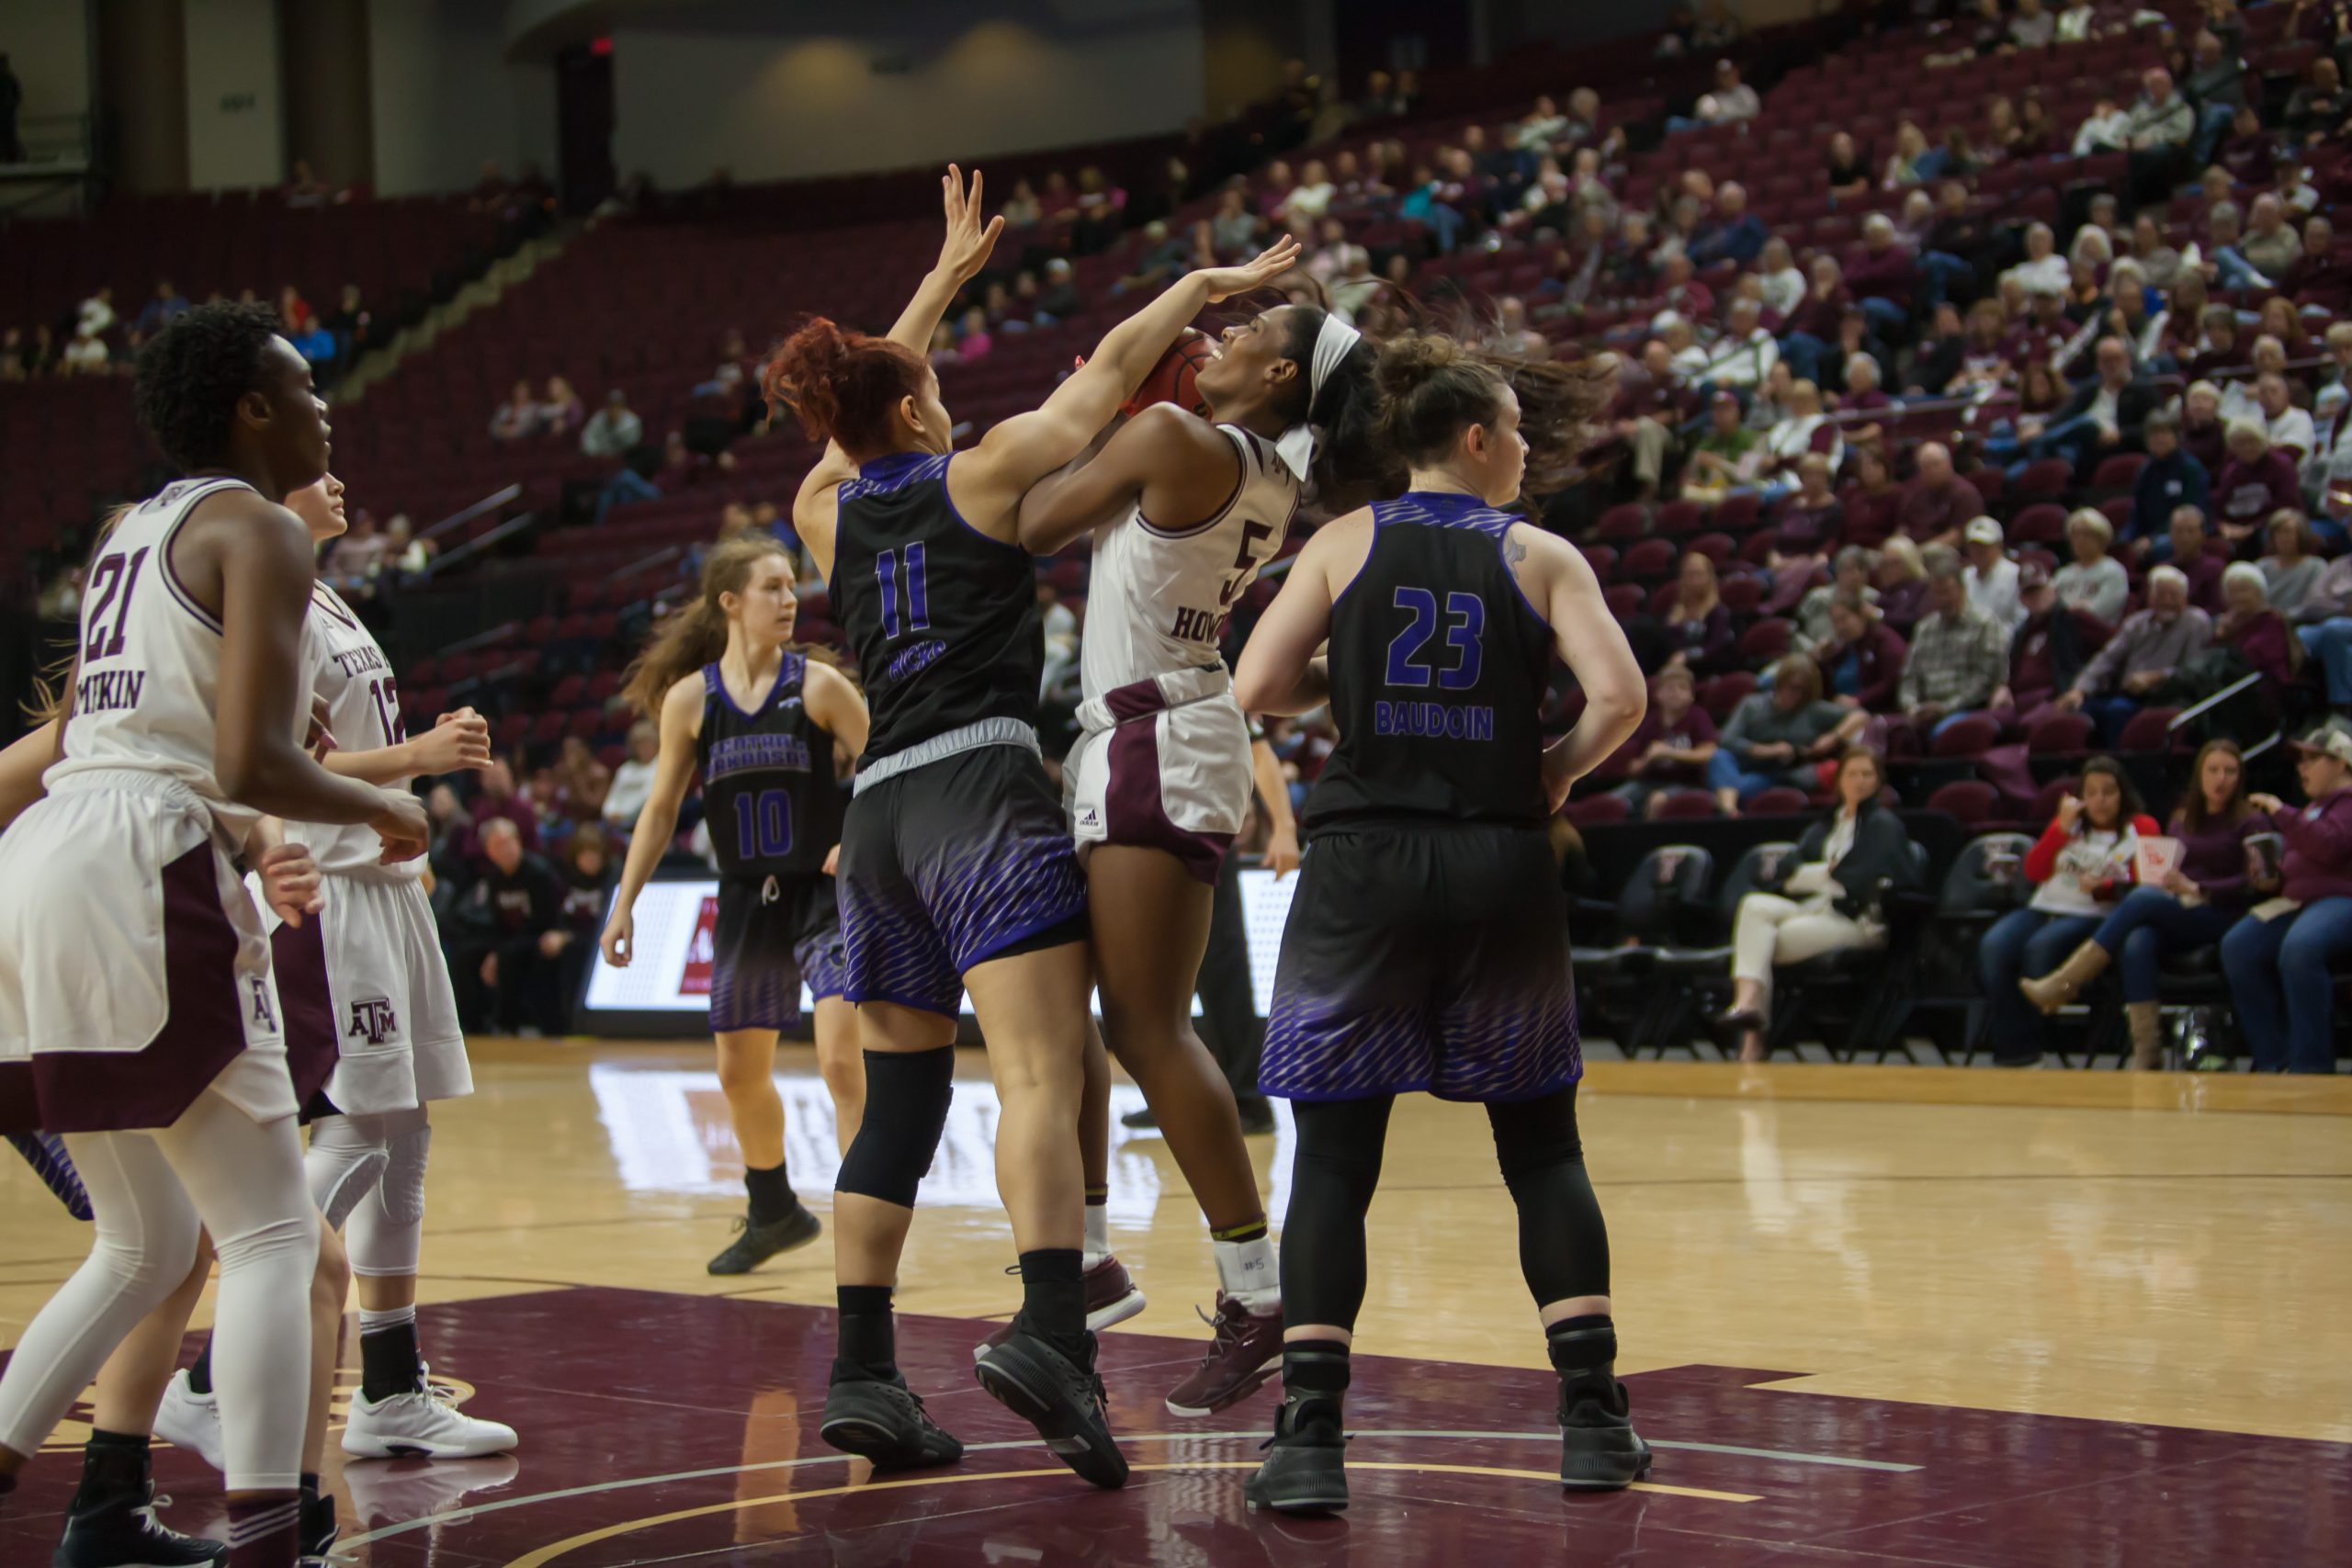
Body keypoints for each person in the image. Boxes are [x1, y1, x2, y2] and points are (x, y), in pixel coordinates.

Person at [775, 166, 1297, 1487]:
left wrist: (939, 285)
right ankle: (1057, 1329)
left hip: (879, 813)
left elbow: (851, 418)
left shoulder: (822, 513)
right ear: (915, 407)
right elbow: (1116, 367)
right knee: (1040, 1077)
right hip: (981, 792)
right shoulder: (991, 468)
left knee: (893, 1107)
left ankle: (865, 1373)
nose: (947, 394)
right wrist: (1201, 286)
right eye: (930, 385)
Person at [0, 301, 429, 1568]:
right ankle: (265, 1535)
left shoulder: (125, 535)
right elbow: (251, 758)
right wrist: (377, 803)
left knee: (144, 1241)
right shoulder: (257, 528)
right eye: (304, 386)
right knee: (273, 1234)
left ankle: (94, 1510)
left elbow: (99, 730)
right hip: (145, 863)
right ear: (250, 407)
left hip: (49, 861)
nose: (325, 406)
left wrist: (259, 827)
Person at [1230, 327, 1651, 1513]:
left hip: (1362, 864)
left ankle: (1311, 1435)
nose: (1525, 449)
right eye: (1516, 430)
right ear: (1475, 438)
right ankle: (1593, 1424)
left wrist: (1353, 687)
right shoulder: (1541, 553)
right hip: (1498, 861)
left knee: (1334, 1159)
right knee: (1543, 1149)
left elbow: (1258, 683)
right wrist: (1555, 768)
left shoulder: (1343, 540)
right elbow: (1622, 698)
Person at [974, 293, 1383, 1418]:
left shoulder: (1173, 439)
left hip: (1152, 736)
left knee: (1145, 1027)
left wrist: (1093, 410)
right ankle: (1092, 1254)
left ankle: (1255, 1291)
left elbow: (1020, 520)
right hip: (1163, 733)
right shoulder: (1264, 465)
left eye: (1255, 333)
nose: (1230, 335)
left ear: (1284, 378)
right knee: (1091, 1016)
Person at [155, 472, 515, 1484]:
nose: (342, 479)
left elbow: (341, 753)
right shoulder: (269, 600)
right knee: (359, 1122)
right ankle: (211, 1381)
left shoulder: (326, 592)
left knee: (406, 1129)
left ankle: (391, 1388)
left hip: (386, 889)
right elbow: (254, 764)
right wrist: (419, 756)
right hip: (330, 899)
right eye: (318, 469)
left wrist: (405, 800)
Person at [601, 536, 868, 1272]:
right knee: (738, 1073)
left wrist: (864, 837)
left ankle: (865, 1232)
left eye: (792, 587)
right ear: (730, 603)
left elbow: (888, 760)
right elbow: (659, 812)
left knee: (844, 1063)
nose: (790, 599)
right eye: (773, 588)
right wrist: (624, 903)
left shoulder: (816, 685)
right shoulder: (692, 701)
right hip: (749, 898)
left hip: (825, 894)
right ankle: (774, 1208)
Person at [2021, 739, 2256, 1067]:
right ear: (2199, 776)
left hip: (2224, 913)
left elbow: (2252, 882)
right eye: (2213, 770)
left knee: (2144, 897)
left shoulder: (2250, 820)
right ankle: (2147, 1056)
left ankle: (2066, 981)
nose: (2221, 779)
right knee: (2137, 941)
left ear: (2240, 778)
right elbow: (2033, 869)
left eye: (2230, 771)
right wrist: (2172, 881)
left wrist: (2198, 886)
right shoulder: (2182, 820)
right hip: (2182, 910)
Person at [1713, 749, 1917, 1061]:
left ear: (1879, 782)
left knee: (1761, 943)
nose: (1859, 781)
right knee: (1754, 904)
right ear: (1838, 782)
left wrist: (1814, 875)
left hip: (1855, 920)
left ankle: (1751, 1041)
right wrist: (1826, 873)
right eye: (1852, 774)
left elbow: (1862, 878)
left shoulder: (1884, 825)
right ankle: (1747, 1004)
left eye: (1867, 775)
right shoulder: (1825, 824)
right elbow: (1789, 873)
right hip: (1815, 909)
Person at [1980, 759, 2159, 1066]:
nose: (2100, 800)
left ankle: (2035, 1043)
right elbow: (2034, 871)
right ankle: (2016, 1053)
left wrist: (2104, 885)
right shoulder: (2069, 822)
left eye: (2108, 792)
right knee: (1993, 947)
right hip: (2044, 907)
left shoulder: (2141, 827)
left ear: (2123, 795)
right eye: (2091, 793)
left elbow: (2148, 884)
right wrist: (2060, 829)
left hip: (2094, 914)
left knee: (2039, 950)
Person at [2222, 717, 2352, 1073]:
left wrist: (2281, 812)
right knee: (2238, 946)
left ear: (2341, 762)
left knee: (2301, 948)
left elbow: (2330, 847)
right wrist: (2270, 878)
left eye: (2312, 759)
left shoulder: (2347, 803)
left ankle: (2311, 1066)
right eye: (2299, 760)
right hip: (2297, 903)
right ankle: (2272, 1058)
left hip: (2342, 901)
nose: (2302, 767)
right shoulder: (2311, 809)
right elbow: (2302, 862)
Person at [2053, 566, 2212, 743]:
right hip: (2128, 693)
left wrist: (2157, 677)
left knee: (2116, 711)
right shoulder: (2136, 623)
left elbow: (2196, 670)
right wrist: (2079, 689)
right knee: (2079, 710)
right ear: (2151, 598)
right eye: (2161, 595)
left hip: (2169, 696)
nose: (2167, 601)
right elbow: (2106, 658)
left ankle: (2119, 765)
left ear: (2185, 598)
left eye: (2173, 595)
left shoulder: (2196, 622)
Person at [1709, 656, 1868, 812]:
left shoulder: (1812, 709)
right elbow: (1726, 739)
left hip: (1776, 773)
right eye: (1792, 687)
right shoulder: (1752, 704)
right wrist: (1763, 750)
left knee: (1741, 787)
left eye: (1803, 691)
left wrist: (1833, 737)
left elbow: (1859, 715)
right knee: (1719, 757)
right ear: (1780, 682)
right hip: (1743, 765)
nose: (1796, 695)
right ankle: (1729, 808)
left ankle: (1728, 808)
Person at [1896, 558, 2008, 740]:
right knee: (1891, 733)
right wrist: (1912, 707)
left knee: (1943, 734)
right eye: (1937, 593)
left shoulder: (1984, 624)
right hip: (1923, 710)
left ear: (1962, 589)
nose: (1942, 599)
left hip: (1966, 709)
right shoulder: (1924, 628)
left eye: (1947, 592)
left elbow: (1985, 680)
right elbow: (1909, 676)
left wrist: (1944, 707)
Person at [1609, 665, 1718, 818]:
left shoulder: (1698, 716)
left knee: (1658, 800)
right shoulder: (1650, 722)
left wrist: (1668, 752)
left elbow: (1708, 753)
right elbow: (1635, 767)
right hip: (1649, 782)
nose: (1676, 693)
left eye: (1682, 688)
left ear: (1692, 695)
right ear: (1658, 694)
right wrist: (1646, 760)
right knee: (1611, 801)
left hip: (1687, 783)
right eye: (1670, 688)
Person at [2130, 412, 2210, 550]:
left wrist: (2152, 538)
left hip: (2183, 533)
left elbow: (2191, 509)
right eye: (2154, 435)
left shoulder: (2189, 468)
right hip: (2149, 536)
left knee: (2159, 548)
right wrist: (2130, 538)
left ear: (2176, 437)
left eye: (2164, 433)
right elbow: (2137, 512)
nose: (2159, 439)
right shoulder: (2145, 471)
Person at [2052, 509, 2130, 625]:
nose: (2080, 540)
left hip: (2096, 632)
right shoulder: (2063, 574)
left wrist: (2072, 612)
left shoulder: (2113, 571)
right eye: (2075, 534)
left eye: (2086, 534)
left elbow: (2102, 610)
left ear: (2101, 537)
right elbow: (2049, 607)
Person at [1962, 516, 2025, 633]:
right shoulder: (1964, 577)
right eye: (1974, 546)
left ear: (1999, 546)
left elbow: (2021, 621)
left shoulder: (2015, 575)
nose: (1979, 551)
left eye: (1984, 545)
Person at [580, 390, 643, 459]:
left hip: (622, 459)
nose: (614, 410)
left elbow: (631, 445)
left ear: (623, 407)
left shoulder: (632, 422)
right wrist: (595, 453)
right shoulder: (599, 417)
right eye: (611, 406)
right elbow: (587, 437)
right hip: (598, 457)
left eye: (618, 407)